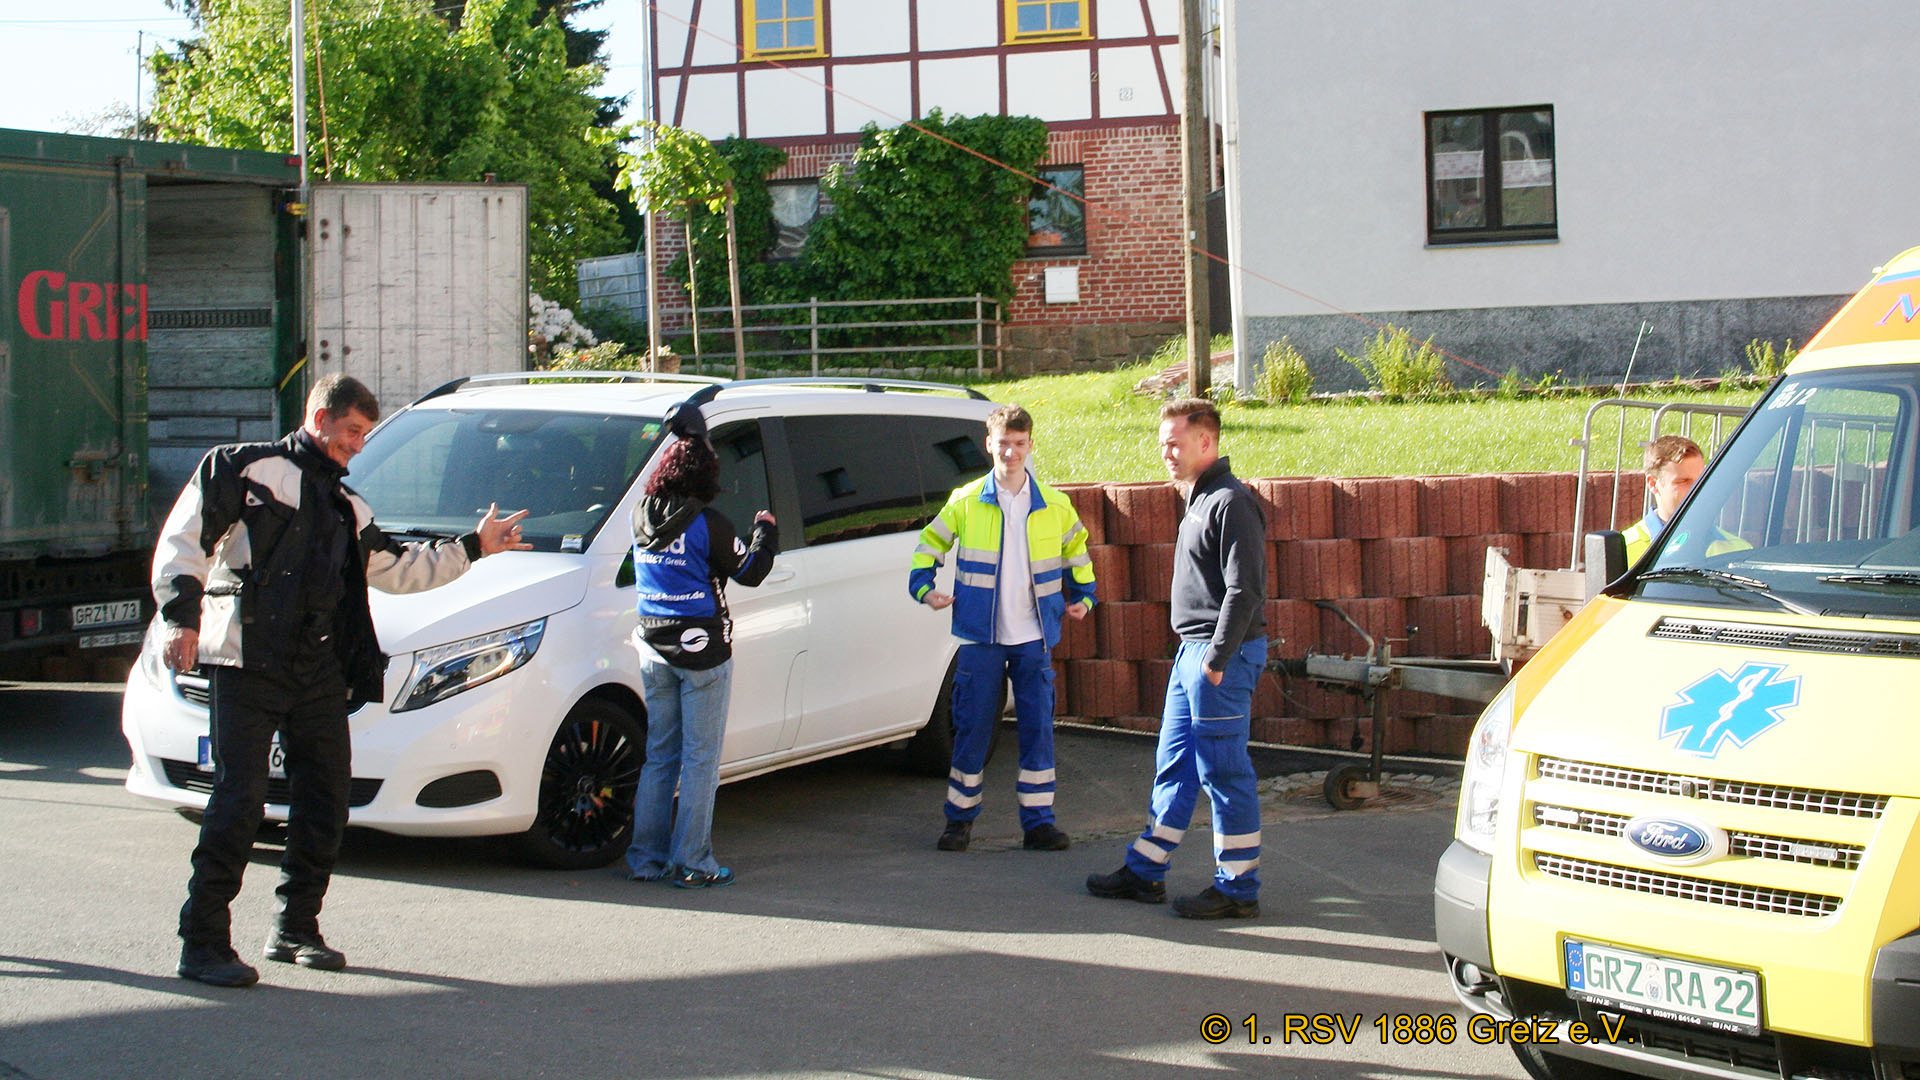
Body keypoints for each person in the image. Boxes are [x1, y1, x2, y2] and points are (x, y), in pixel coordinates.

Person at [154, 374, 531, 988]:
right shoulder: (242, 468)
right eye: (352, 431)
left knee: (326, 799)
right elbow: (183, 545)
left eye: (364, 435)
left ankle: (296, 928)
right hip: (246, 662)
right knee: (238, 801)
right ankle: (202, 942)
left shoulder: (347, 506)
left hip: (318, 669)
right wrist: (180, 620)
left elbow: (401, 570)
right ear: (319, 416)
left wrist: (476, 547)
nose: (358, 445)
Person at [1087, 398, 1268, 919]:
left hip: (1218, 658)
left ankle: (1238, 888)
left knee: (1223, 772)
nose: (1166, 452)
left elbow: (1245, 589)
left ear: (1206, 443)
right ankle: (1145, 871)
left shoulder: (1231, 502)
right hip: (1193, 654)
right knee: (1174, 766)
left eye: (1175, 443)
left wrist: (1215, 660)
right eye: (1163, 442)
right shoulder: (1199, 498)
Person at [908, 403, 1096, 853]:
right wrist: (923, 588)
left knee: (1037, 729)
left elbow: (1078, 554)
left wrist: (1084, 597)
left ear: (1030, 445)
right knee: (971, 728)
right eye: (1003, 444)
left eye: (1019, 444)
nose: (1011, 453)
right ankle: (959, 821)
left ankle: (1039, 823)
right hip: (981, 637)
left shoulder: (1055, 504)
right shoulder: (966, 501)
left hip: (1033, 637)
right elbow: (928, 546)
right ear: (988, 444)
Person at [625, 403, 777, 890]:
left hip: (653, 646)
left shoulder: (640, 517)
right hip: (703, 652)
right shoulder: (708, 524)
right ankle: (693, 861)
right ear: (706, 475)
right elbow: (750, 572)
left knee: (659, 757)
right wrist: (764, 534)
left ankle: (645, 859)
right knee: (699, 761)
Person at [1623, 435, 1748, 563]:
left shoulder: (1739, 550)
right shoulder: (1623, 550)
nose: (1697, 489)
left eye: (1701, 480)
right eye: (1683, 481)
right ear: (1653, 483)